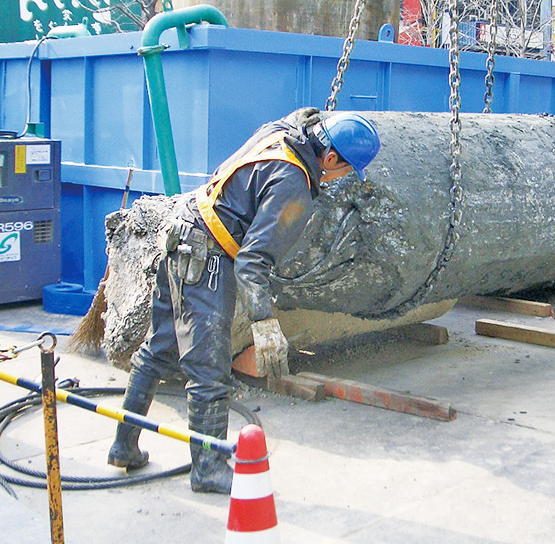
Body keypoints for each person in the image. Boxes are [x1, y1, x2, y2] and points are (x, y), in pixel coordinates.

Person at [107, 108, 381, 493]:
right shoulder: (294, 185)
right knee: (208, 370)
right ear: (331, 158)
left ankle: (124, 445)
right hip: (208, 255)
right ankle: (208, 468)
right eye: (346, 170)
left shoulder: (281, 132)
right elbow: (253, 260)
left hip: (182, 230)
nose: (342, 179)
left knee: (160, 347)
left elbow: (301, 115)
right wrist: (263, 321)